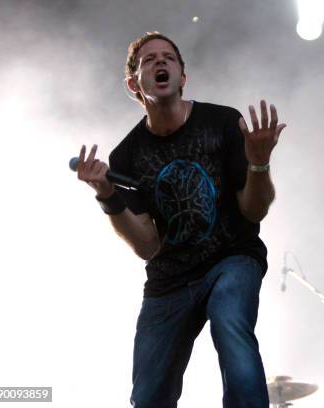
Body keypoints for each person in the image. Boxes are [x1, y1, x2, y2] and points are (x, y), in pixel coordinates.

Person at [76, 31, 286, 408]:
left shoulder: (223, 122)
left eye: (169, 57)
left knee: (230, 324)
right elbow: (148, 245)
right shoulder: (126, 155)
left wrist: (259, 162)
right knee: (149, 397)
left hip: (231, 258)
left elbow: (254, 210)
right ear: (133, 83)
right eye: (149, 59)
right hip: (169, 281)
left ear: (182, 76)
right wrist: (107, 196)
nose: (160, 62)